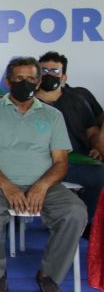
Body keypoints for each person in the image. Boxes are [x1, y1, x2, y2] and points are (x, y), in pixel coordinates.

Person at [0, 57, 87, 292]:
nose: (26, 83)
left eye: (32, 79)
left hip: (45, 185)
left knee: (75, 212)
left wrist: (41, 186)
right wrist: (7, 186)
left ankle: (49, 275)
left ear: (39, 81)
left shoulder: (52, 116)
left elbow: (60, 163)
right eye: (19, 79)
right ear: (7, 81)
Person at [36, 51, 104, 233]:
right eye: (44, 70)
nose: (48, 74)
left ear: (64, 76)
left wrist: (96, 147)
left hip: (73, 162)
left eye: (54, 71)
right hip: (39, 164)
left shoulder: (77, 99)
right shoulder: (26, 101)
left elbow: (92, 131)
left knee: (100, 175)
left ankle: (85, 223)